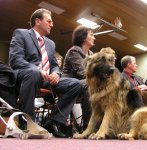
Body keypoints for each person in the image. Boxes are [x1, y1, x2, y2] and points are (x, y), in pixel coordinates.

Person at [9, 8, 83, 138]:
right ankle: (27, 122)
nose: (52, 24)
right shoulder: (21, 33)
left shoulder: (50, 44)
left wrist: (56, 74)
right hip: (26, 74)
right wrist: (38, 70)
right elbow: (15, 59)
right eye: (49, 21)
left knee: (76, 84)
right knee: (33, 72)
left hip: (47, 78)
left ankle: (54, 121)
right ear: (37, 21)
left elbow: (54, 65)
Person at [62, 25, 95, 130]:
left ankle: (101, 125)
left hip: (84, 83)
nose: (94, 37)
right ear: (83, 37)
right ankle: (87, 127)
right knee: (88, 83)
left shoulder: (91, 54)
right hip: (69, 84)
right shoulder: (74, 51)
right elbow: (83, 73)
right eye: (91, 35)